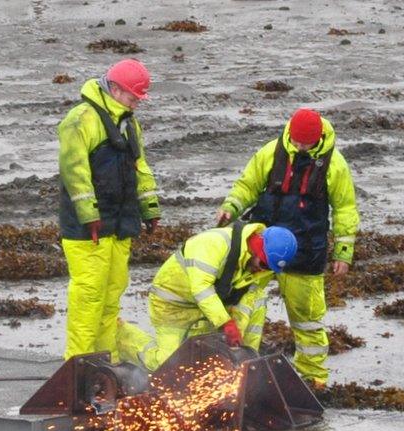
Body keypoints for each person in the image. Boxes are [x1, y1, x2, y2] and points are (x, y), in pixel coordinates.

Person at [215, 108, 360, 388]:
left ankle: (313, 376)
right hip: (262, 247)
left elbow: (345, 209)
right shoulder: (271, 152)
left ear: (317, 139)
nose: (300, 147)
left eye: (306, 143)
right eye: (296, 142)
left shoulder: (335, 165)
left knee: (307, 318)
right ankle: (240, 367)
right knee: (244, 306)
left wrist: (343, 252)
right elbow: (247, 185)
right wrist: (231, 206)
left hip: (306, 250)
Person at [57, 58, 161, 363]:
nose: (136, 104)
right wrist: (90, 216)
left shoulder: (128, 123)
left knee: (111, 295)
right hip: (87, 230)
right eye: (133, 97)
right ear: (114, 90)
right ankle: (77, 364)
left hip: (120, 225)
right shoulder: (80, 120)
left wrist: (149, 208)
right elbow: (75, 173)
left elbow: (139, 167)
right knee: (88, 296)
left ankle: (106, 361)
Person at [118, 223, 297, 372]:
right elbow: (202, 289)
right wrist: (226, 323)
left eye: (269, 269)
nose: (263, 270)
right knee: (167, 365)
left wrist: (243, 350)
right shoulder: (214, 244)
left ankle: (245, 362)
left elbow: (250, 302)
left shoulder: (261, 266)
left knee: (200, 362)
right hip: (173, 304)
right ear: (256, 247)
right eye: (263, 264)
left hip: (208, 309)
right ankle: (121, 335)